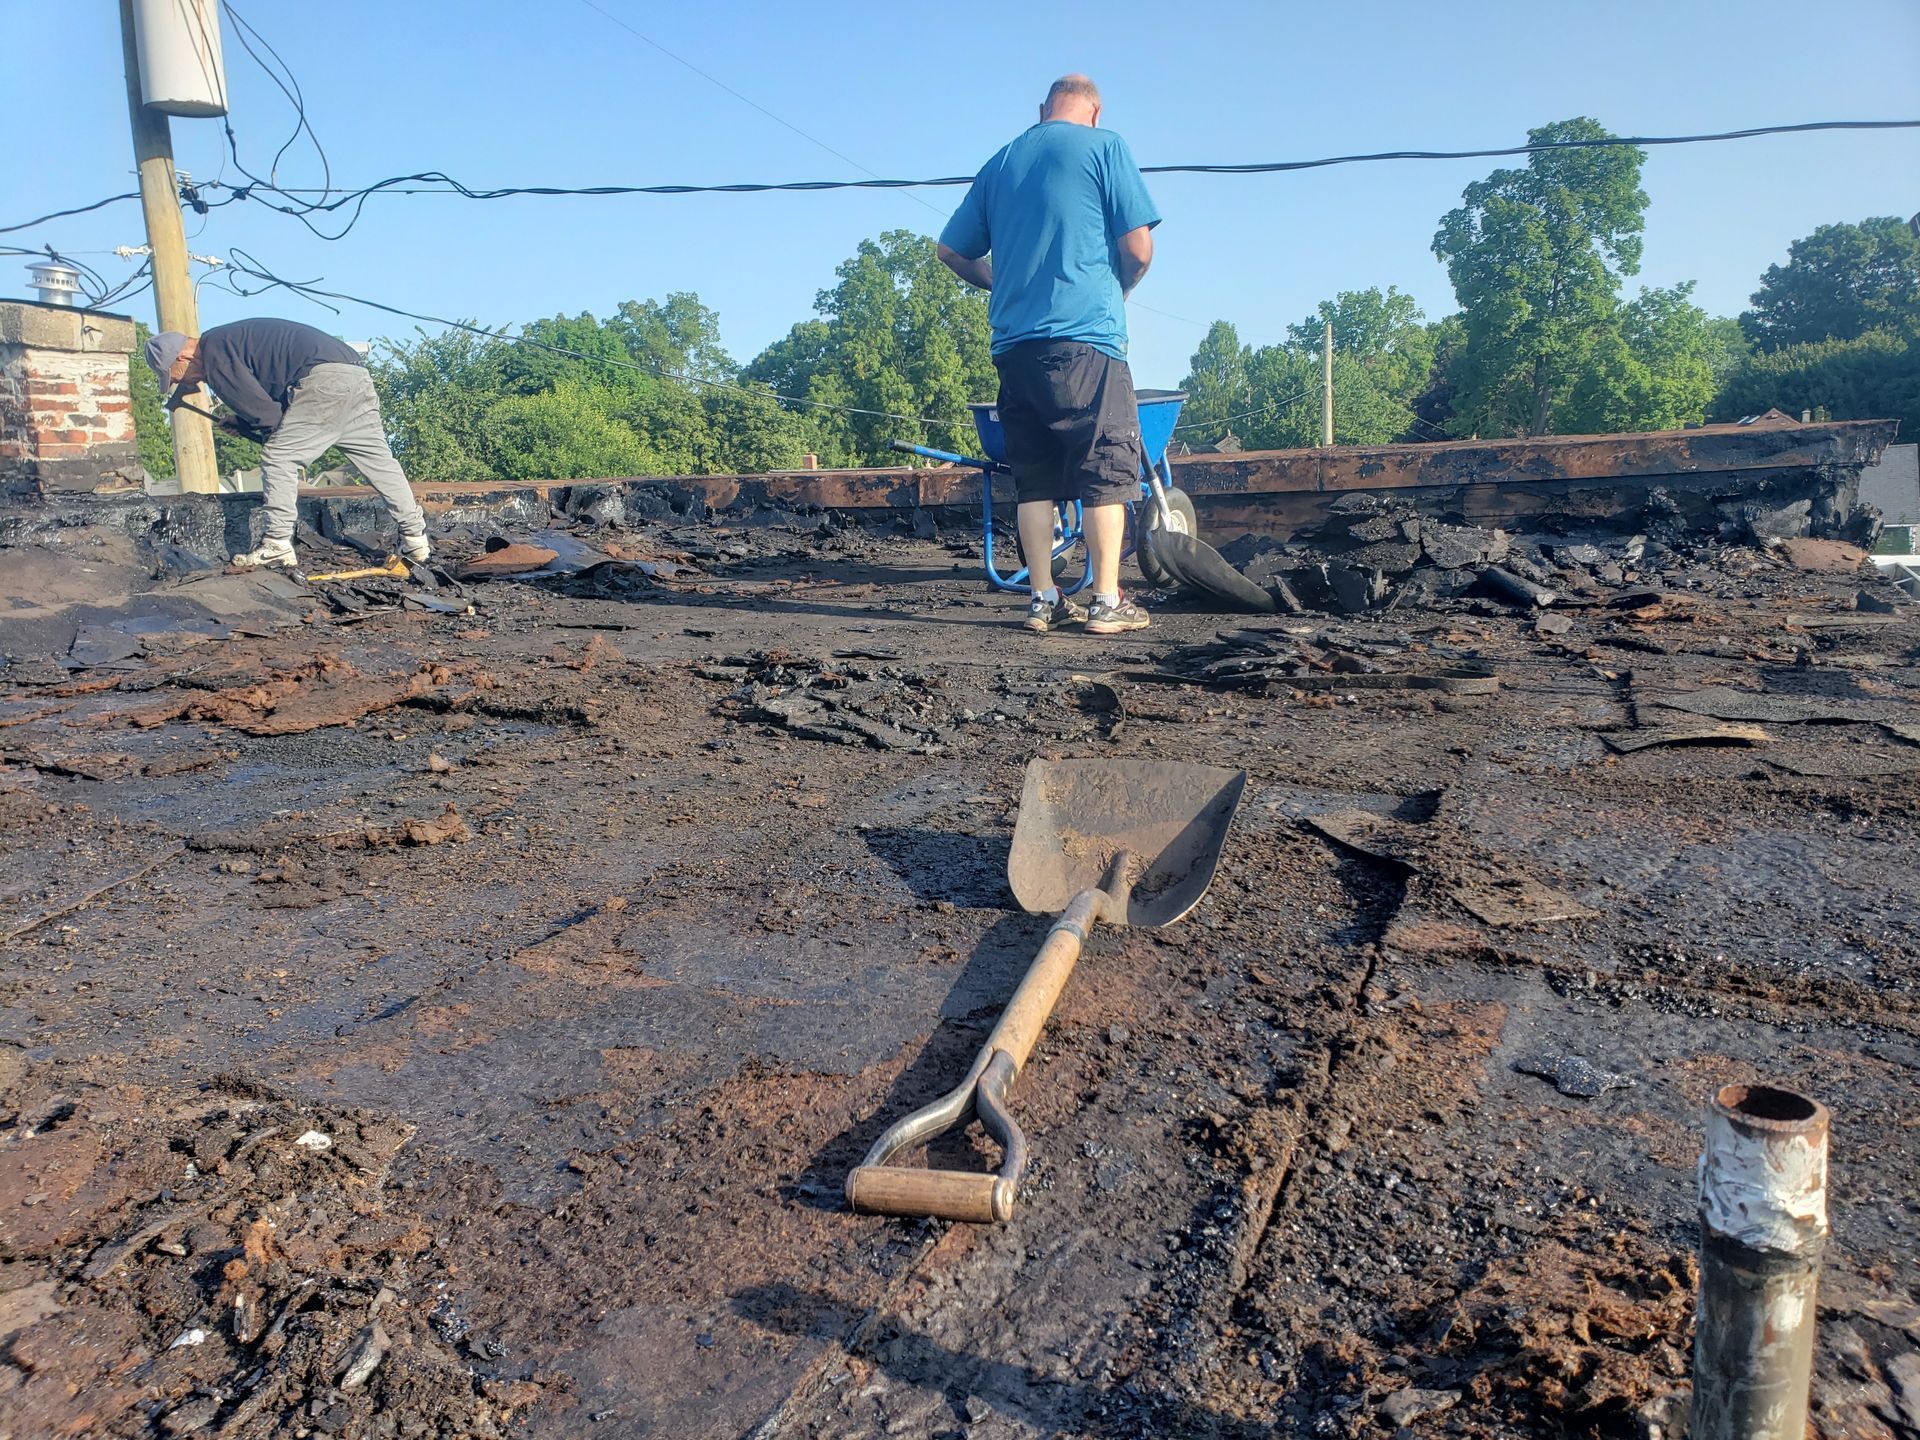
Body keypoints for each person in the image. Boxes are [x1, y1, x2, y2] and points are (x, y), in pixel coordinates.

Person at [937, 73, 1160, 635]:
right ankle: (1106, 602)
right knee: (1108, 467)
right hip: (1087, 339)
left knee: (1033, 478)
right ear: (1096, 111)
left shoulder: (1002, 161)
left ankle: (1043, 600)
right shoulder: (1105, 146)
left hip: (1015, 348)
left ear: (1042, 109)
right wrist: (1120, 287)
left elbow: (950, 250)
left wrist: (1000, 282)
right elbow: (1138, 248)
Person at [145, 319, 431, 569]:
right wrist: (240, 422)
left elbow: (267, 419)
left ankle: (277, 544)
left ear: (182, 357)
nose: (181, 384)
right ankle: (416, 539)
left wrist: (245, 424)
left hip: (322, 381)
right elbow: (275, 410)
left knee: (278, 458)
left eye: (173, 377)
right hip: (354, 374)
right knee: (380, 463)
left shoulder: (215, 353)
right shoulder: (230, 341)